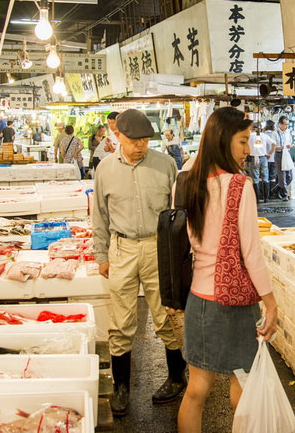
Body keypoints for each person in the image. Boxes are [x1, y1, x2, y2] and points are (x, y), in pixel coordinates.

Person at [176, 107, 278, 433]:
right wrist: (271, 302)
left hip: (199, 300)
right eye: (243, 141)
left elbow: (186, 241)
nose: (248, 149)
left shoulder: (188, 181)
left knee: (195, 391)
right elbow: (251, 252)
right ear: (224, 140)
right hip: (233, 302)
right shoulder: (239, 185)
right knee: (244, 383)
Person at [92, 109, 182, 416]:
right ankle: (121, 386)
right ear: (118, 137)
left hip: (159, 247)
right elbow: (99, 217)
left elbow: (178, 212)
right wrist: (101, 255)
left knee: (167, 313)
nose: (140, 146)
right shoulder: (104, 169)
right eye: (134, 140)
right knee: (120, 321)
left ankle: (176, 376)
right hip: (121, 248)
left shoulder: (166, 164)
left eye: (145, 140)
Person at [271, 116, 294, 200]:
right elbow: (274, 147)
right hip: (279, 155)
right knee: (282, 176)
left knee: (290, 176)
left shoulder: (288, 132)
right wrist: (284, 147)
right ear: (280, 124)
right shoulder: (274, 133)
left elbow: (290, 142)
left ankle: (276, 189)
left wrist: (290, 146)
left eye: (288, 124)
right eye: (285, 124)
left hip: (287, 154)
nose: (286, 126)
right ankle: (285, 195)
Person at [247, 123, 270, 203]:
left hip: (254, 157)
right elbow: (274, 144)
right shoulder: (264, 135)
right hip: (263, 157)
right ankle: (266, 198)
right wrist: (269, 153)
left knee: (255, 178)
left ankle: (256, 199)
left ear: (252, 129)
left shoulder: (250, 136)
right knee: (265, 177)